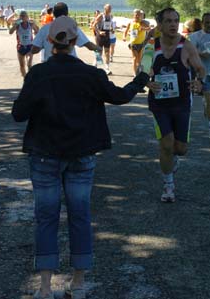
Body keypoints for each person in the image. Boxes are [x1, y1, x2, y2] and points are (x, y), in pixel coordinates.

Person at [12, 15, 149, 299]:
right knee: (80, 216)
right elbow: (120, 96)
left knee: (46, 217)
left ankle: (46, 288)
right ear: (75, 41)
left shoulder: (38, 75)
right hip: (82, 155)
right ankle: (78, 284)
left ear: (50, 40)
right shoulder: (91, 75)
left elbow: (18, 114)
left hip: (45, 155)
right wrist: (140, 81)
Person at [146, 7, 205, 203]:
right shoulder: (151, 47)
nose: (173, 24)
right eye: (168, 21)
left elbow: (200, 68)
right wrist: (148, 82)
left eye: (176, 21)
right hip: (159, 104)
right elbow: (142, 70)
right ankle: (168, 185)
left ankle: (172, 160)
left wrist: (199, 81)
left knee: (180, 149)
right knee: (166, 144)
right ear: (160, 25)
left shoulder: (186, 46)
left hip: (181, 104)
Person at [31, 2, 100, 63]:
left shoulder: (45, 29)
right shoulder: (73, 27)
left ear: (54, 14)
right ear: (67, 13)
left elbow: (34, 50)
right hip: (70, 65)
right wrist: (97, 48)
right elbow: (88, 44)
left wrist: (44, 45)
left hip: (51, 66)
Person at [8, 9, 39, 77]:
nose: (23, 17)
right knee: (22, 65)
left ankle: (30, 78)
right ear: (19, 17)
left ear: (27, 17)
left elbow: (38, 30)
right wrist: (15, 25)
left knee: (29, 64)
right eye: (21, 16)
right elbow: (10, 32)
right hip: (20, 46)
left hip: (29, 46)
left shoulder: (30, 24)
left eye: (24, 16)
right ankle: (25, 78)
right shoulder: (18, 25)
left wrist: (35, 30)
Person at [122, 9, 149, 75]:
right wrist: (124, 37)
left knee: (139, 60)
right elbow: (125, 31)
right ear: (133, 15)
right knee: (134, 58)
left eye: (139, 15)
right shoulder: (131, 23)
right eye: (136, 15)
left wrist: (145, 28)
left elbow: (148, 27)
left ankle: (138, 71)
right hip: (133, 43)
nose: (137, 16)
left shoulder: (143, 22)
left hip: (141, 44)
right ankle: (134, 73)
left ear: (141, 16)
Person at [91, 4, 114, 74]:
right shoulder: (101, 16)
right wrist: (99, 32)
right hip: (100, 36)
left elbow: (110, 25)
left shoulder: (110, 16)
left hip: (107, 36)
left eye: (110, 8)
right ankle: (95, 65)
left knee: (107, 52)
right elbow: (94, 25)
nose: (110, 9)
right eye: (108, 8)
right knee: (99, 52)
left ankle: (107, 68)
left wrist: (112, 29)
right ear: (105, 9)